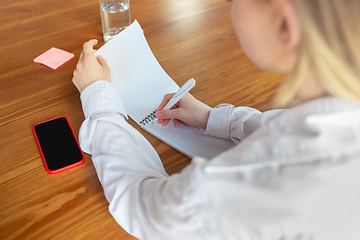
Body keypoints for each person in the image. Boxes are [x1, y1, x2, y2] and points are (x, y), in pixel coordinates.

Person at [72, 0, 360, 239]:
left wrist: (100, 101)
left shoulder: (265, 175)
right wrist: (215, 118)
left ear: (284, 25)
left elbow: (145, 208)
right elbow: (289, 127)